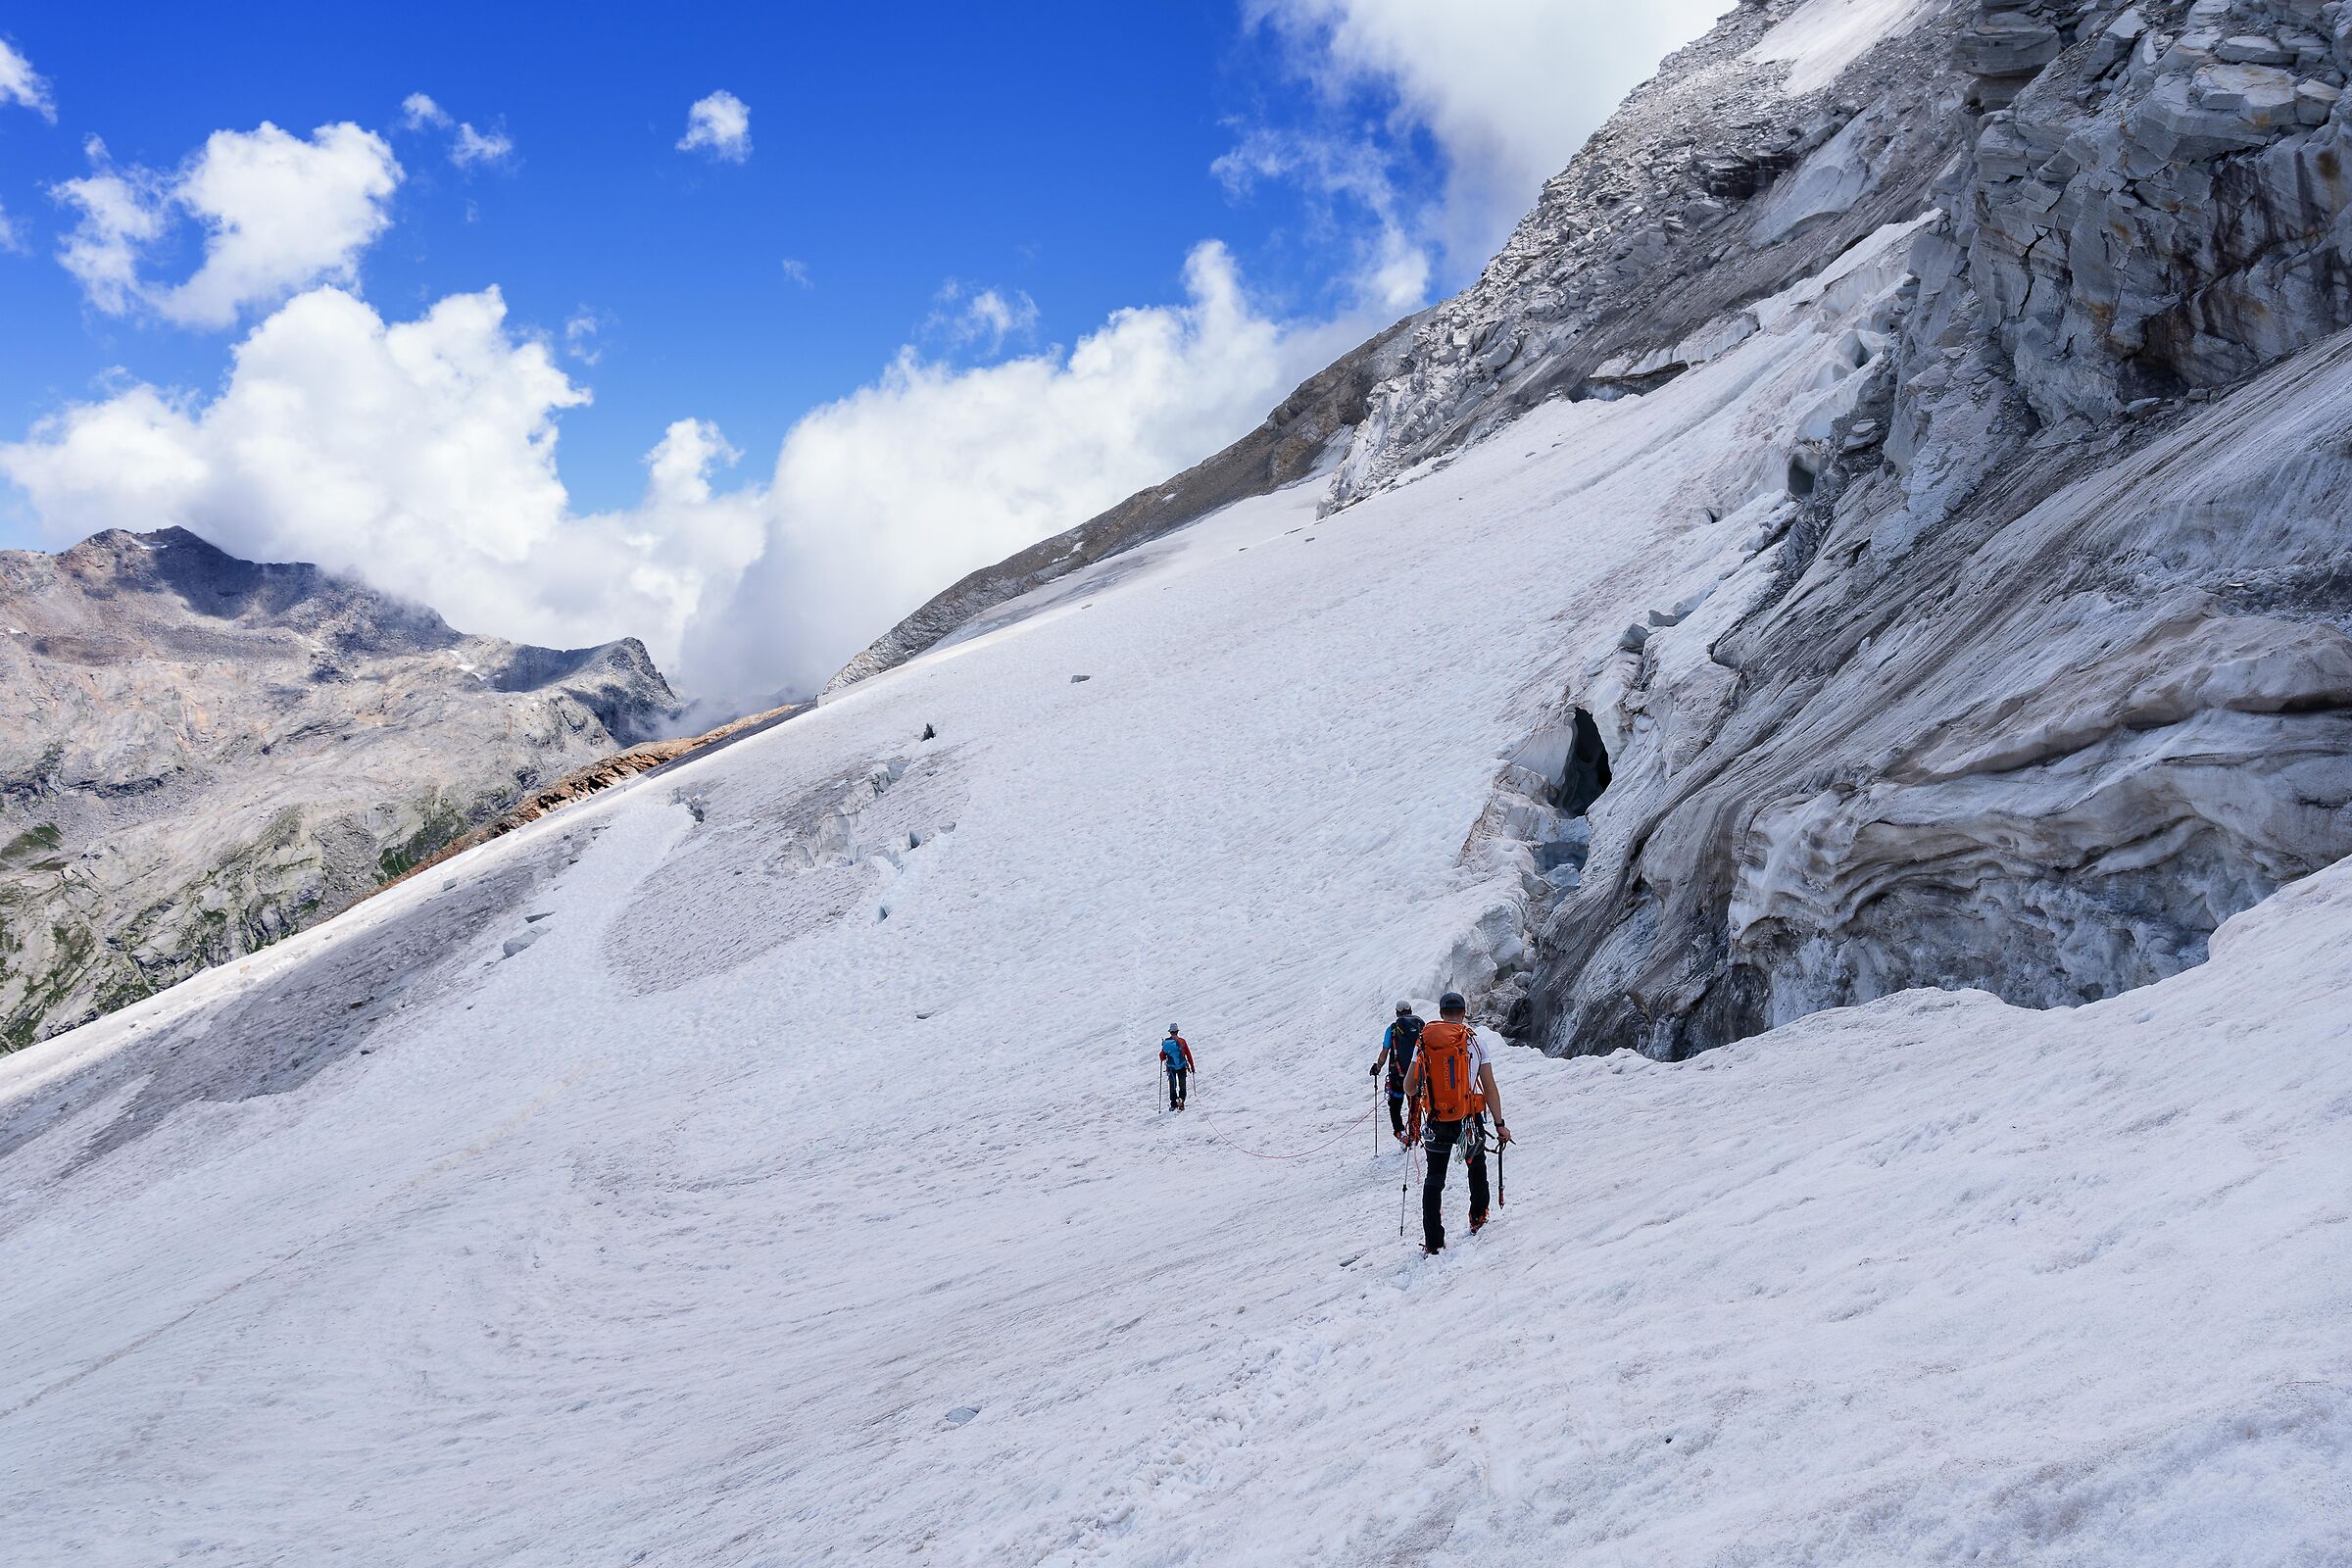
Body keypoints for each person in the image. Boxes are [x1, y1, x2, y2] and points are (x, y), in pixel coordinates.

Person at [1402, 992, 1511, 1253]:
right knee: (1476, 1168)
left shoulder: (1424, 1043)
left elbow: (1408, 1085)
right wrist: (1499, 1123)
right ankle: (1477, 1217)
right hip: (1469, 1120)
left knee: (1434, 1178)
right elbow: (1490, 1087)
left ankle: (1433, 1242)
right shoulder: (1475, 1043)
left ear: (1441, 1014)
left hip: (1438, 1120)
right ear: (1464, 1012)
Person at [1368, 1001, 1424, 1145]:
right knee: (1414, 1104)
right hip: (1416, 1075)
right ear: (1411, 1011)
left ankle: (1400, 1132)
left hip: (1397, 1074)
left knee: (1395, 1105)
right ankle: (1415, 1133)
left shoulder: (1392, 1029)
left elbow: (1385, 1052)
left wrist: (1378, 1067)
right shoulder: (1421, 1026)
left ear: (1397, 1013)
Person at [1160, 1024, 1195, 1110]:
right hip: (1182, 1066)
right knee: (1182, 1084)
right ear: (1177, 1031)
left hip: (1171, 1068)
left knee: (1172, 1085)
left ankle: (1173, 1103)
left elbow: (1162, 1057)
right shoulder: (1182, 1041)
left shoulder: (1166, 1043)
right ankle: (1181, 1099)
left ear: (1170, 1032)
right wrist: (1192, 1066)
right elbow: (1188, 1054)